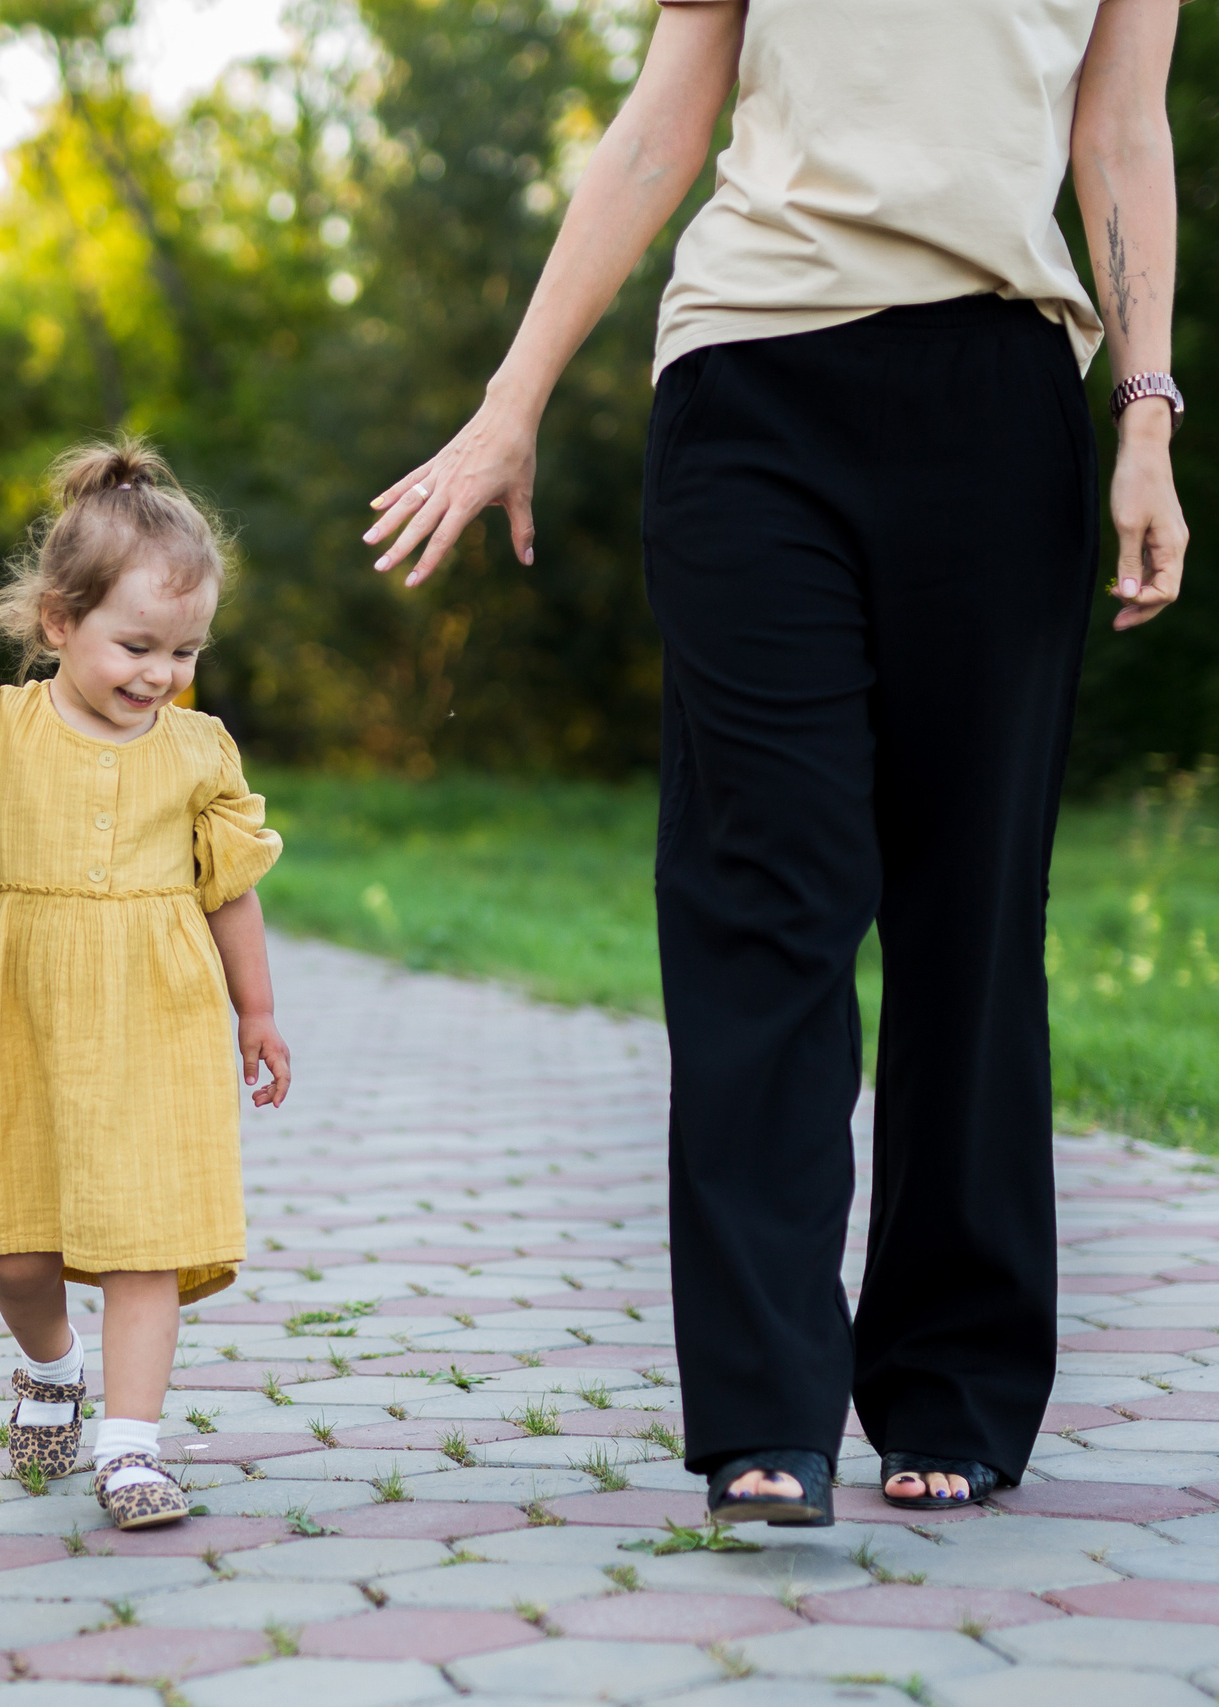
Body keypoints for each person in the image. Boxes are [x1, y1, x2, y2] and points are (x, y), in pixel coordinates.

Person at [366, 0, 1189, 1523]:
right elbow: (666, 114)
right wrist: (510, 399)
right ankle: (764, 1408)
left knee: (970, 913)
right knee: (765, 885)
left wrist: (1146, 415)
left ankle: (950, 1382)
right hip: (750, 380)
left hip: (1000, 395)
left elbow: (1122, 128)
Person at [0, 440, 291, 1530]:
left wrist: (256, 1011)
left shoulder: (200, 750)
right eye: (137, 645)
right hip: (22, 1019)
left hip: (158, 1023)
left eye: (185, 650)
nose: (161, 673)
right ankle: (49, 1366)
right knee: (17, 1248)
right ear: (60, 622)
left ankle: (131, 1449)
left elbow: (230, 887)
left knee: (145, 1236)